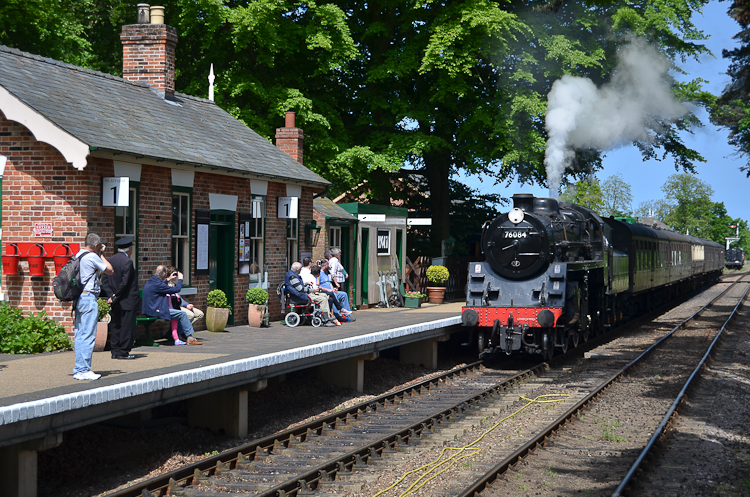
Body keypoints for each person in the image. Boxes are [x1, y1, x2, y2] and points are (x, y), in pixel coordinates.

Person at [72, 233, 114, 380]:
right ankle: (84, 370)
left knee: (79, 334)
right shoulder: (92, 256)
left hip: (78, 298)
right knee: (88, 335)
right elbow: (109, 269)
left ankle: (78, 369)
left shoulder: (78, 254)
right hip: (89, 297)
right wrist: (101, 254)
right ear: (96, 246)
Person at [142, 265, 203, 345]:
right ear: (164, 274)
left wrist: (168, 279)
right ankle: (190, 338)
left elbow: (161, 286)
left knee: (181, 314)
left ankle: (182, 335)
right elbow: (176, 289)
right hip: (156, 310)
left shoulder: (152, 281)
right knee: (183, 314)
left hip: (151, 309)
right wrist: (180, 279)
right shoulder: (158, 284)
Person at [101, 236, 139, 360]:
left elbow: (105, 280)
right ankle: (123, 351)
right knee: (127, 327)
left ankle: (115, 351)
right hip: (127, 300)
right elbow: (125, 282)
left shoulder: (110, 260)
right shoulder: (128, 262)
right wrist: (116, 295)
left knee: (115, 325)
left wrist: (111, 295)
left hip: (114, 300)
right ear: (129, 249)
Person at [284, 262, 339, 326]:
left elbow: (297, 286)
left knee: (324, 295)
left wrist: (306, 283)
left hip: (301, 294)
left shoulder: (292, 274)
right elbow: (300, 289)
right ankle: (326, 320)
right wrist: (312, 290)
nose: (301, 270)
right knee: (323, 299)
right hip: (300, 296)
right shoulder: (293, 277)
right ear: (297, 270)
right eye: (301, 269)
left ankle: (327, 316)